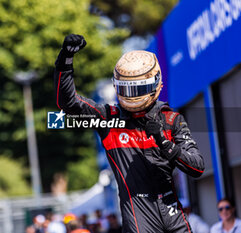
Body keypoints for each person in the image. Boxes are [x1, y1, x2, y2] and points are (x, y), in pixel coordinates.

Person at [54, 34, 205, 232]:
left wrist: (165, 144)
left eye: (139, 89)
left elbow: (197, 167)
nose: (133, 96)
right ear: (117, 87)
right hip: (138, 218)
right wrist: (65, 60)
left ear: (157, 83)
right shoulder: (108, 118)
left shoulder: (171, 119)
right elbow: (68, 103)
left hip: (173, 216)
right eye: (128, 89)